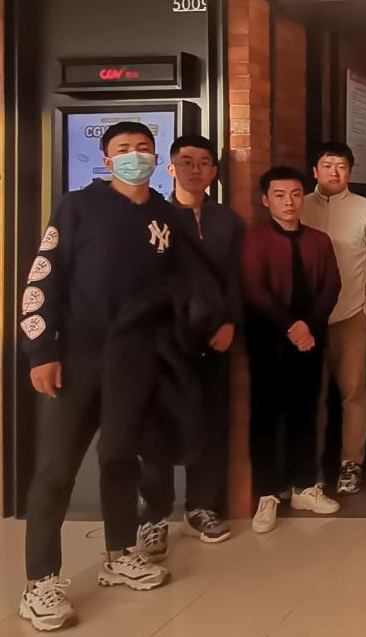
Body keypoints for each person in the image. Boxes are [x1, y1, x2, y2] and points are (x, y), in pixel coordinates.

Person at [18, 122, 222, 631]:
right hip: (78, 357)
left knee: (120, 459)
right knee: (56, 468)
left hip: (136, 358)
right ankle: (40, 581)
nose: (135, 156)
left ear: (156, 158)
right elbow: (43, 278)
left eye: (143, 149)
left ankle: (119, 552)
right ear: (107, 161)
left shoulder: (164, 215)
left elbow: (185, 282)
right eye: (124, 150)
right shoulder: (77, 207)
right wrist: (40, 351)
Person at [136, 135, 244, 560]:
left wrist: (230, 321)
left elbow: (235, 276)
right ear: (170, 168)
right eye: (186, 162)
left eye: (204, 163)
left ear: (214, 171)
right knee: (158, 428)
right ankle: (153, 516)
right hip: (163, 340)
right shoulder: (154, 218)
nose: (195, 170)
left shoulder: (227, 221)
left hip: (214, 337)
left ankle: (201, 506)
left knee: (211, 421)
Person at [244, 167, 342, 534]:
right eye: (280, 195)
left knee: (306, 412)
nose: (289, 202)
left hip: (310, 340)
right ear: (266, 200)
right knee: (265, 417)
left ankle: (304, 486)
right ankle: (267, 493)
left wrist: (308, 327)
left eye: (296, 194)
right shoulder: (254, 240)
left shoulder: (320, 240)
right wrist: (291, 327)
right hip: (267, 341)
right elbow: (254, 288)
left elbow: (332, 286)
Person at [302, 142, 366, 495]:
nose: (334, 172)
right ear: (315, 170)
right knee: (311, 395)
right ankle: (312, 468)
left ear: (350, 172)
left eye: (341, 166)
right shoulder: (300, 205)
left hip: (351, 314)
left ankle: (351, 462)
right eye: (327, 165)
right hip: (308, 320)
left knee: (354, 393)